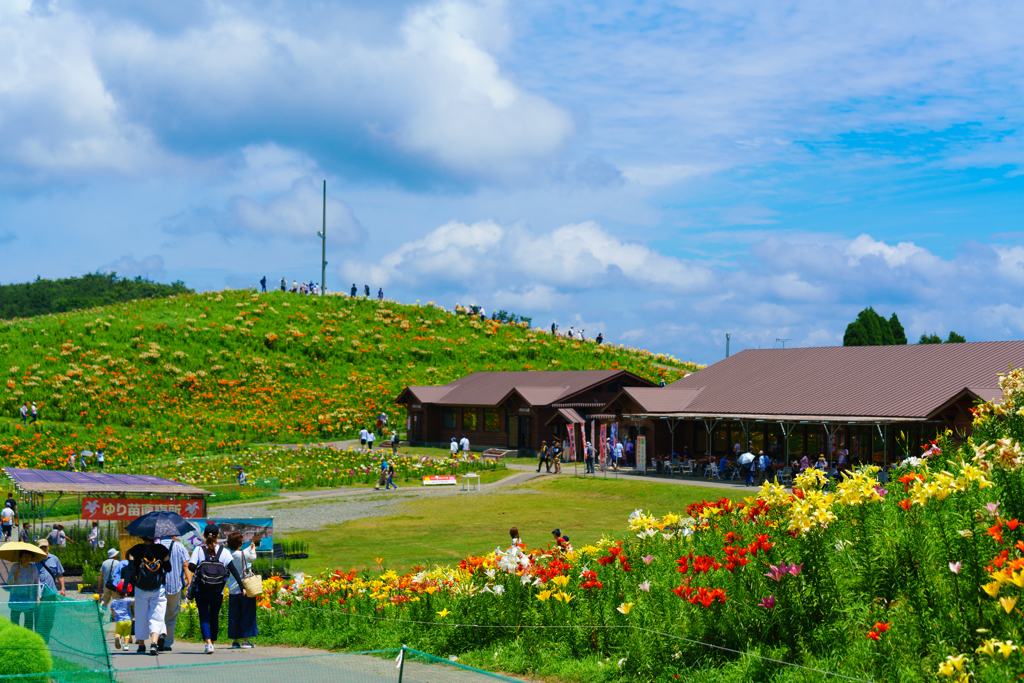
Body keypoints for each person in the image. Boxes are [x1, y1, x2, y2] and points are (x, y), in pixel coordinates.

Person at [189, 523, 240, 655]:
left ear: (204, 535)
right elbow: (233, 569)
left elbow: (191, 567)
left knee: (204, 617)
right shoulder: (224, 552)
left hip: (202, 589)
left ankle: (208, 643)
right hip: (218, 591)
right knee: (214, 616)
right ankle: (213, 642)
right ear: (218, 536)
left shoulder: (198, 550)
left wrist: (201, 568)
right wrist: (242, 586)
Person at [125, 534, 170, 655]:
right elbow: (169, 568)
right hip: (157, 587)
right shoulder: (162, 549)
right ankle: (154, 643)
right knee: (157, 615)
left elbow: (130, 569)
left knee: (141, 615)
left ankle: (141, 645)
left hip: (140, 588)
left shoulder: (134, 550)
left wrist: (125, 587)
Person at [226, 532, 259, 649]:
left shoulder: (228, 554)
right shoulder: (243, 554)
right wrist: (253, 549)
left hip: (232, 589)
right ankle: (245, 640)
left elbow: (243, 551)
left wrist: (250, 547)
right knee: (247, 613)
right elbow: (253, 557)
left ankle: (235, 641)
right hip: (246, 587)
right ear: (240, 543)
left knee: (234, 615)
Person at [158, 535, 190, 651]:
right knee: (171, 614)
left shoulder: (156, 546)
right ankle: (167, 643)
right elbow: (186, 565)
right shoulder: (179, 546)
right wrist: (189, 583)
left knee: (158, 613)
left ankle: (160, 634)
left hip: (158, 585)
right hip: (175, 585)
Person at [36, 539, 65, 644]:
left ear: (48, 547)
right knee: (38, 616)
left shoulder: (54, 559)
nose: (44, 549)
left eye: (45, 547)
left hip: (51, 593)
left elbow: (60, 575)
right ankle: (39, 638)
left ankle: (46, 636)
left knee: (49, 617)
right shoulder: (34, 560)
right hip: (38, 594)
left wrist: (62, 588)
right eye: (42, 547)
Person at [6, 550, 41, 630]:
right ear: (20, 557)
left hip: (29, 599)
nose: (27, 557)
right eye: (25, 555)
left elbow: (37, 583)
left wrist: (38, 596)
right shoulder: (15, 567)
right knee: (14, 622)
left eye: (29, 556)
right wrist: (15, 575)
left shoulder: (33, 568)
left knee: (28, 623)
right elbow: (9, 582)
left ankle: (26, 640)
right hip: (16, 599)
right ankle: (15, 639)